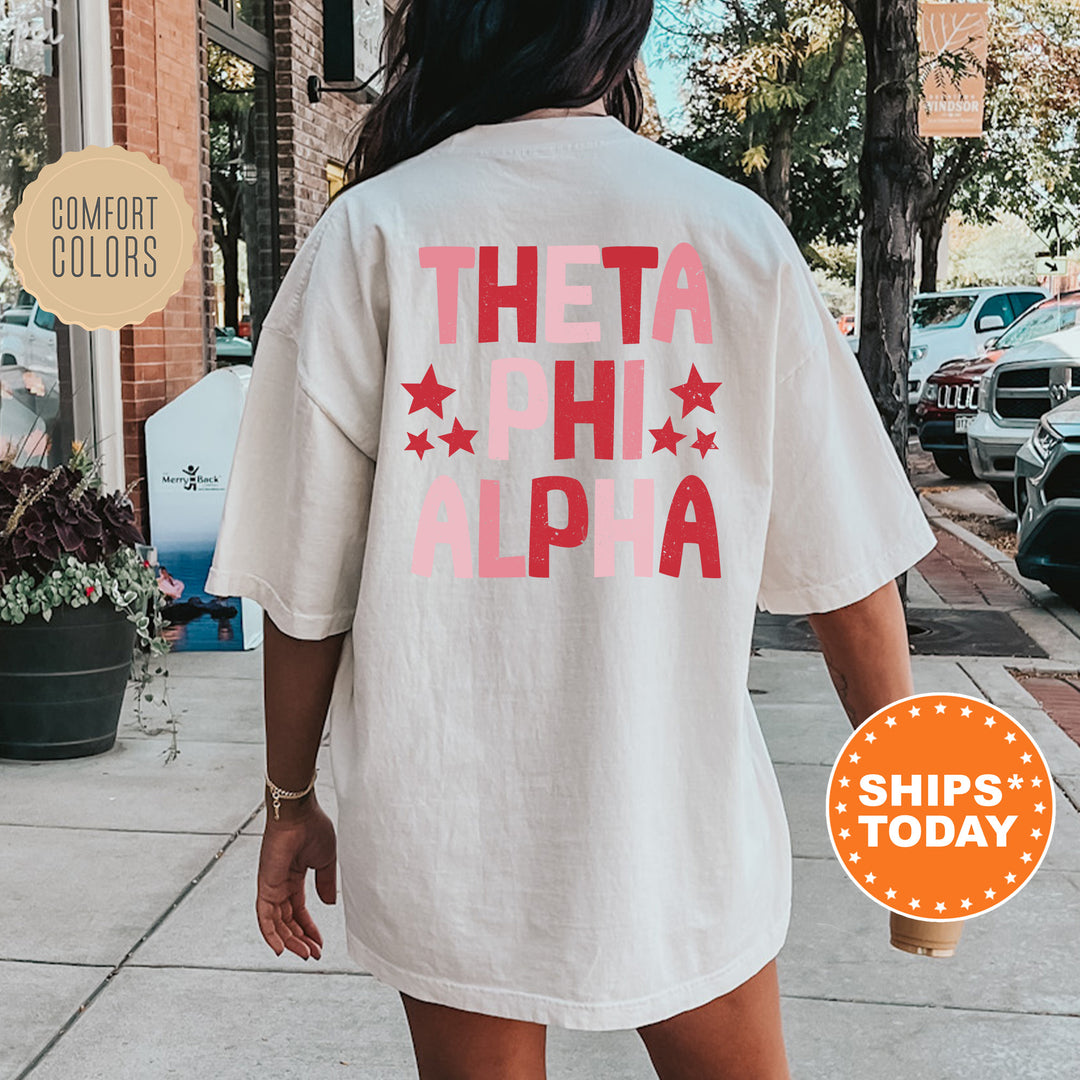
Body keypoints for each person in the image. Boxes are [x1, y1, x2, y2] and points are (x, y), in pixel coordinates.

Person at [204, 2, 937, 1076]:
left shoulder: (371, 235)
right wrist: (914, 820)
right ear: (619, 27)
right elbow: (849, 575)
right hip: (680, 826)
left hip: (452, 829)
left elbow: (307, 590)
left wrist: (289, 799)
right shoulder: (733, 235)